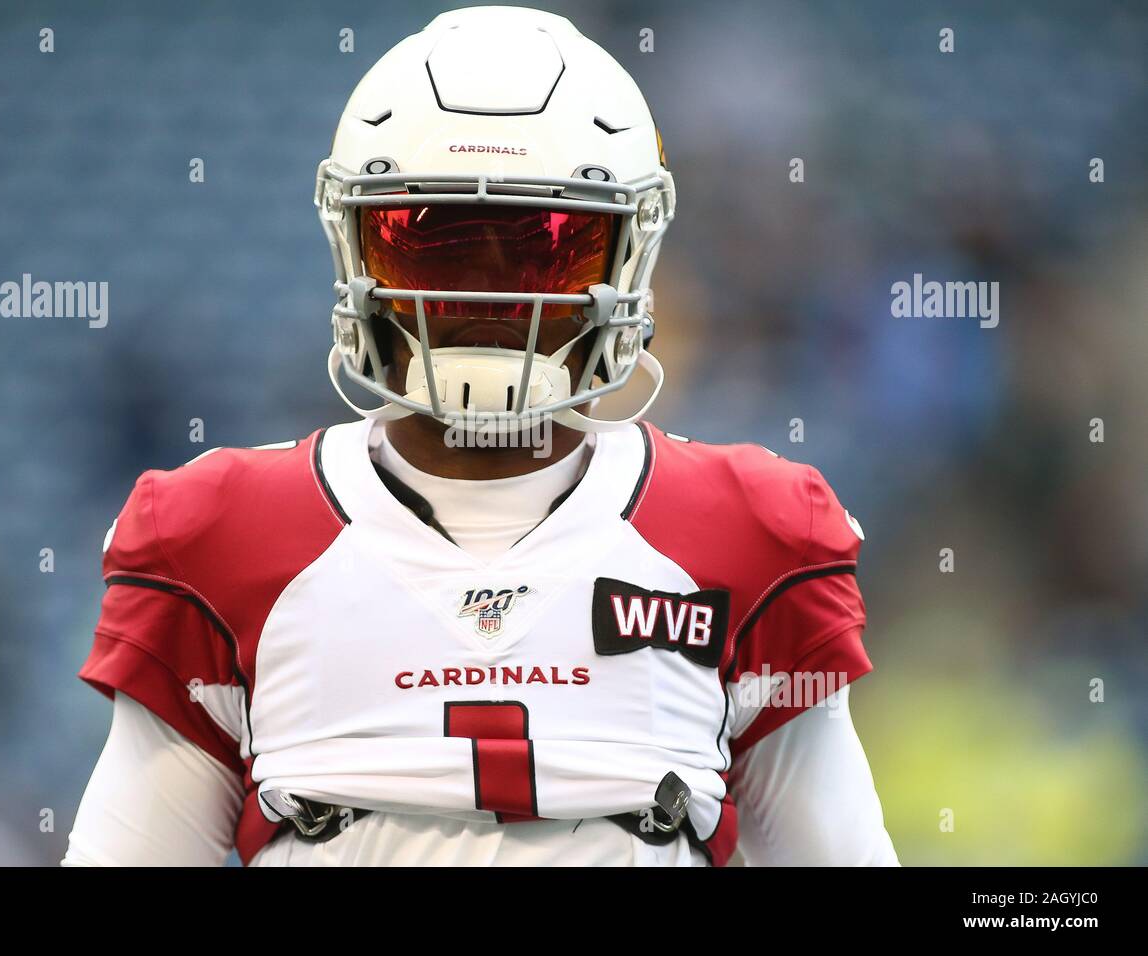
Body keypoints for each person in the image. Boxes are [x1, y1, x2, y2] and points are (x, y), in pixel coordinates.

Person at [64, 6, 897, 867]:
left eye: (549, 246)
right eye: (436, 243)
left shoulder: (749, 533)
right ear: (357, 252)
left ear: (628, 257)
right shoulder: (220, 536)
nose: (496, 289)